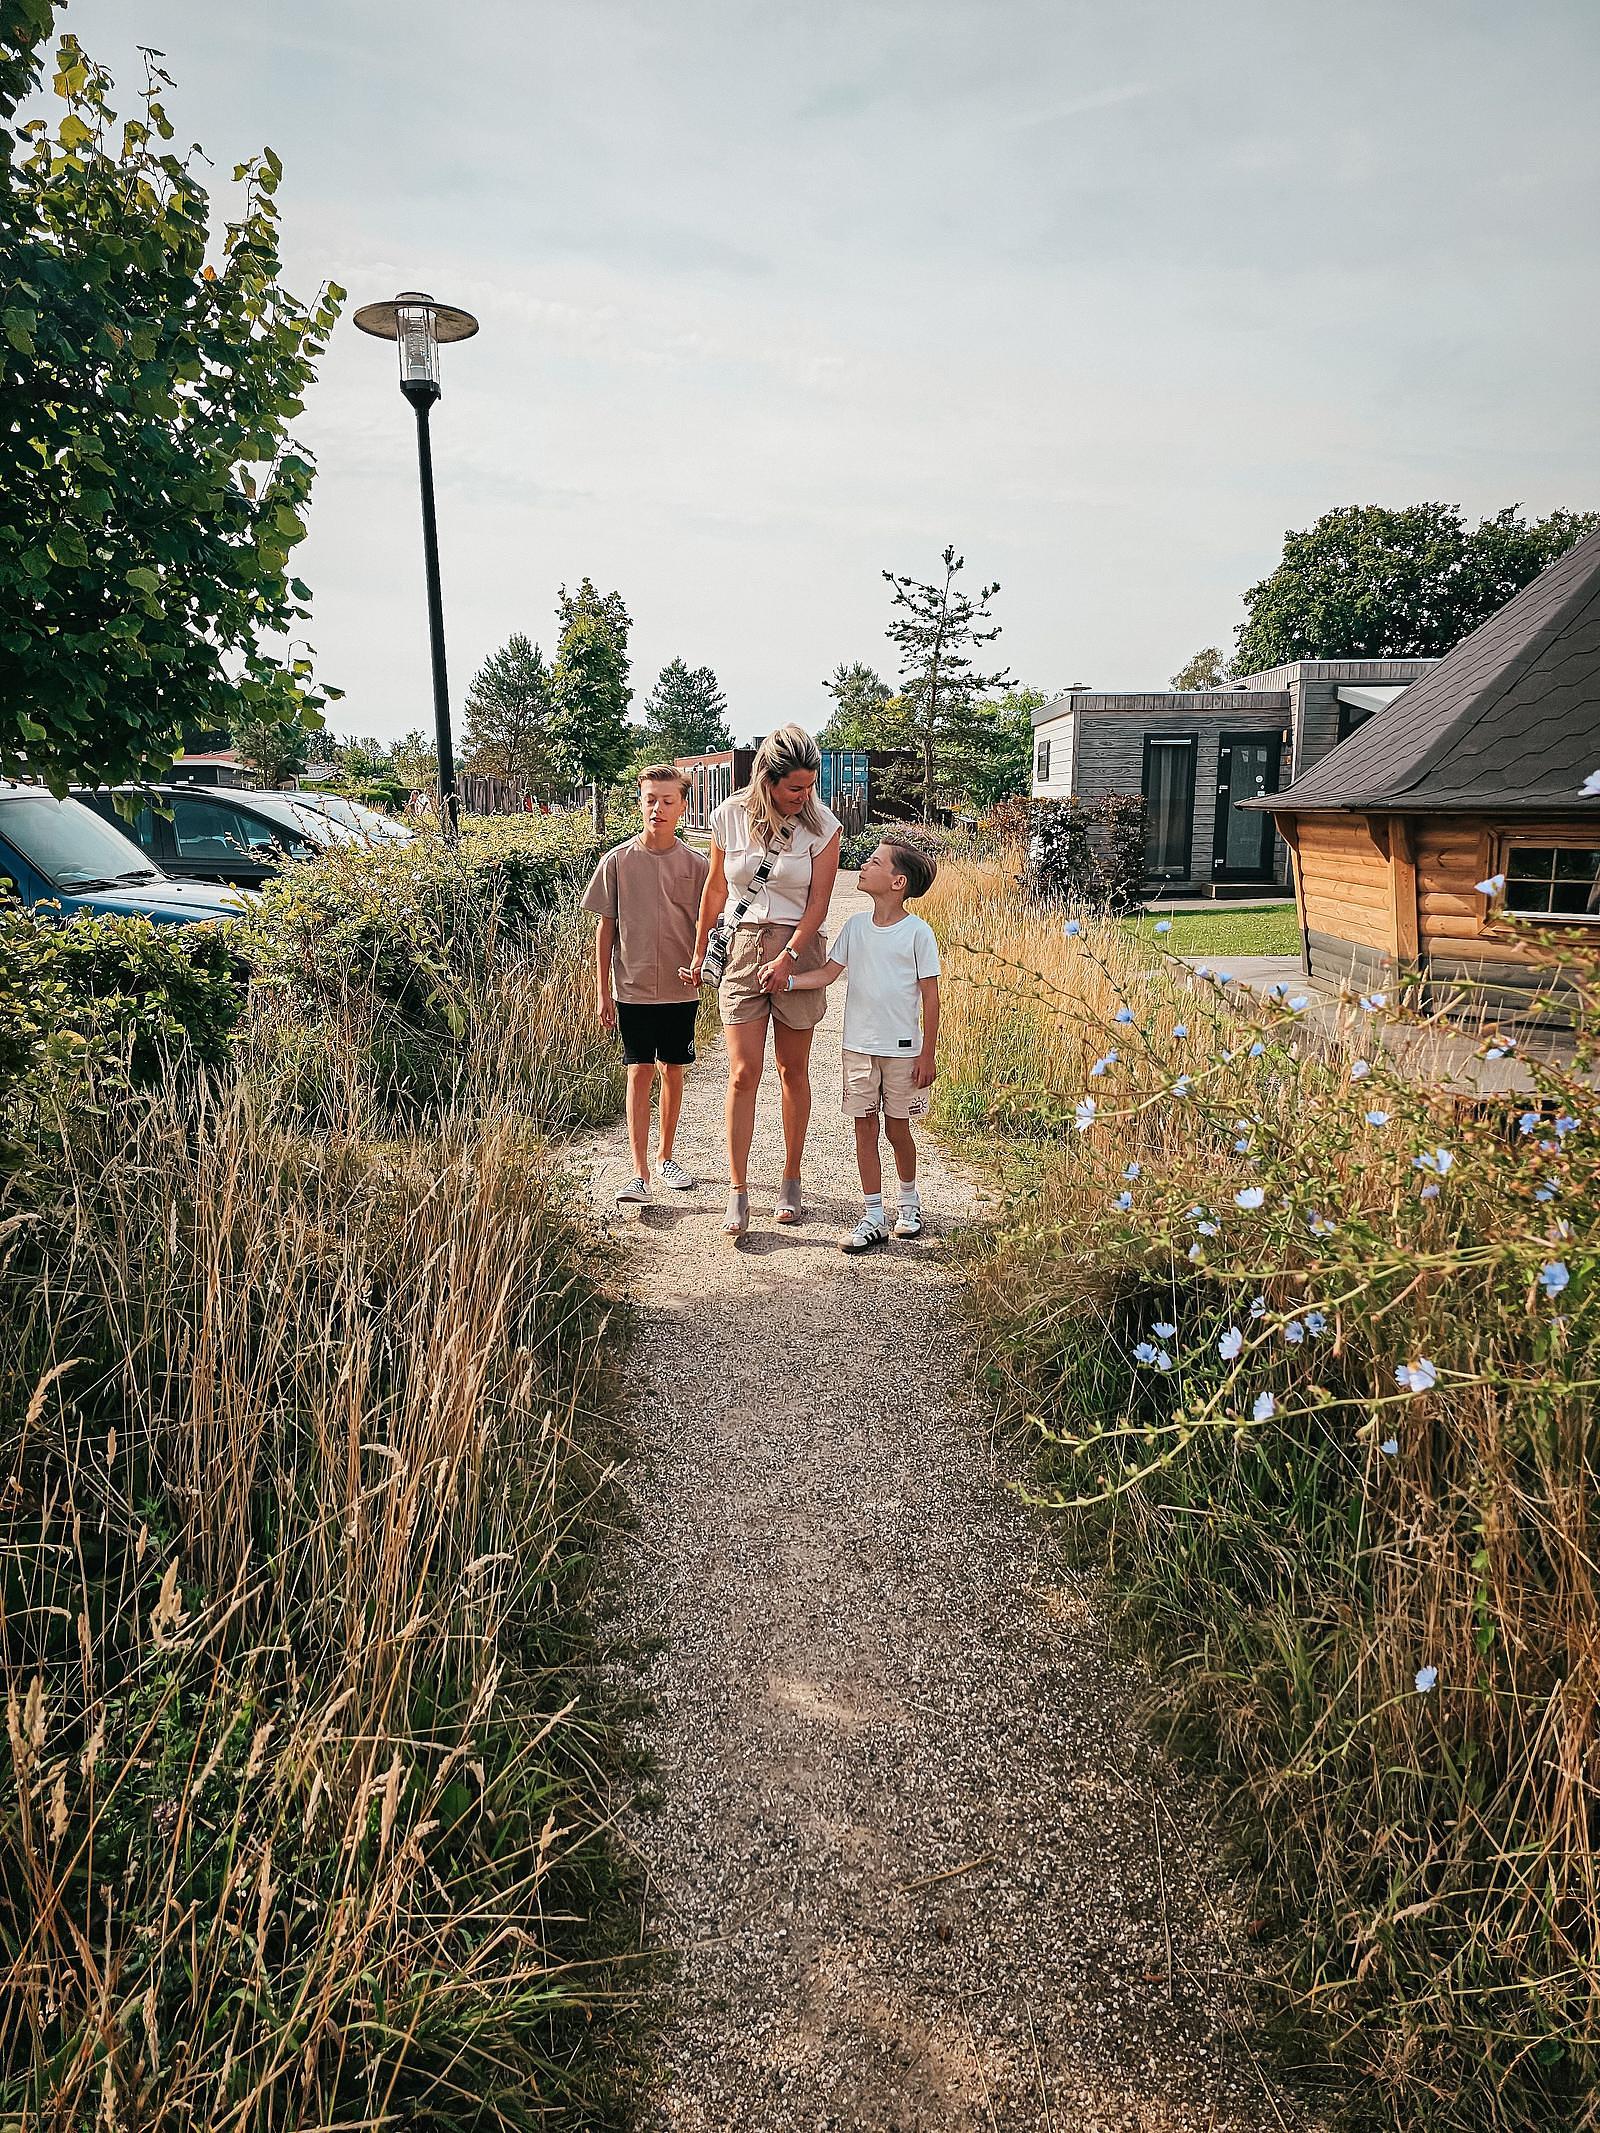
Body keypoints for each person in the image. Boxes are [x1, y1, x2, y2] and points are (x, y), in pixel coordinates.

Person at [688, 726, 842, 1238]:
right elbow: (715, 888)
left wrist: (790, 957)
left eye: (810, 786)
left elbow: (819, 902)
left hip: (798, 947)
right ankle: (738, 1190)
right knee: (742, 1073)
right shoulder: (727, 816)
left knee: (792, 1070)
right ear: (767, 780)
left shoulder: (823, 826)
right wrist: (700, 952)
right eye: (795, 787)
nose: (805, 796)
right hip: (742, 947)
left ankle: (791, 1179)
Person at [766, 838, 940, 1253]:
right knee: (864, 1128)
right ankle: (874, 1215)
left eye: (874, 862)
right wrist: (787, 981)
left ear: (898, 882)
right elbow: (828, 974)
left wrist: (927, 1053)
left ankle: (909, 1203)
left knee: (898, 1129)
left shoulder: (918, 933)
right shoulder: (856, 927)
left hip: (903, 1052)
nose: (863, 865)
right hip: (858, 1049)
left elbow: (931, 997)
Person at [582, 764, 709, 1204]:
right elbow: (605, 930)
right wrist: (602, 991)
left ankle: (666, 1155)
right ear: (640, 803)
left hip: (680, 988)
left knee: (673, 1069)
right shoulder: (617, 861)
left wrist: (704, 965)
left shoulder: (698, 866)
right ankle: (638, 1173)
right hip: (631, 987)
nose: (658, 809)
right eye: (650, 800)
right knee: (638, 1072)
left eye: (667, 801)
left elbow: (710, 927)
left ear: (683, 806)